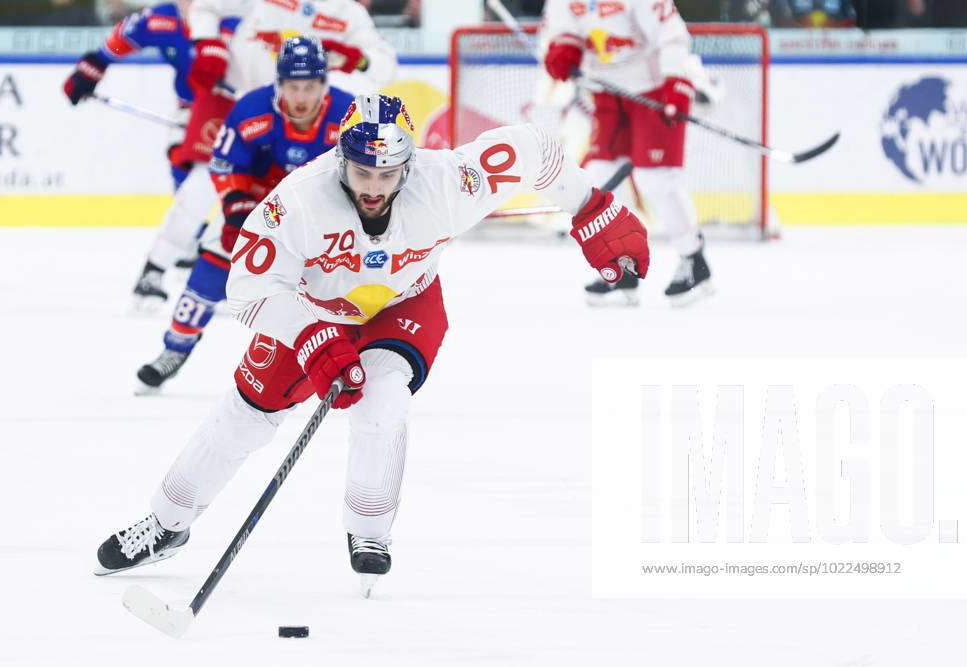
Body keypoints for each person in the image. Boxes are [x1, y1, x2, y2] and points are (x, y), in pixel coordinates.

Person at [94, 94, 650, 595]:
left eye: (388, 173)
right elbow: (246, 284)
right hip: (312, 311)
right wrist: (311, 337)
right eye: (362, 170)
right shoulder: (298, 202)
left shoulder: (449, 182)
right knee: (243, 417)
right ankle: (167, 523)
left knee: (384, 402)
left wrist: (592, 210)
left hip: (404, 304)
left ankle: (368, 531)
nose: (374, 186)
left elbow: (531, 150)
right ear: (340, 159)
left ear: (409, 163)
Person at [136, 36, 355, 393]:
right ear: (278, 84)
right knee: (208, 272)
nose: (301, 98)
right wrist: (236, 209)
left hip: (318, 216)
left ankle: (346, 358)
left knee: (338, 290)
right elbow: (223, 164)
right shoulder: (252, 108)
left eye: (310, 87)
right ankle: (174, 349)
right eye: (293, 86)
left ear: (324, 85)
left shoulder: (348, 115)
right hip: (256, 208)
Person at [62, 0, 240, 307]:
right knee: (183, 164)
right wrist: (92, 68)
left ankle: (215, 253)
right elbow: (119, 40)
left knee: (242, 185)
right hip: (195, 108)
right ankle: (190, 245)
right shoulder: (163, 20)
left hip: (242, 110)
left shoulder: (236, 20)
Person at [540, 0, 713, 306]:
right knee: (601, 179)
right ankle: (624, 268)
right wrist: (562, 50)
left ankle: (694, 261)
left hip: (656, 87)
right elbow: (562, 29)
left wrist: (676, 80)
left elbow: (670, 34)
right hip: (606, 92)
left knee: (655, 180)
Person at [185, 0, 398, 97]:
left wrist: (358, 59)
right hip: (233, 99)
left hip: (298, 120)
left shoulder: (349, 12)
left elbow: (386, 69)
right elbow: (204, 7)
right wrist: (208, 44)